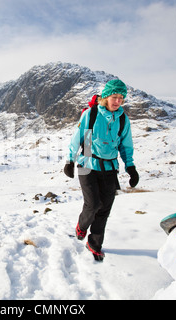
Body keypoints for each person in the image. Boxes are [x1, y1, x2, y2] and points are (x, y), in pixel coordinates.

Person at [64, 79, 139, 261]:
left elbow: (125, 146)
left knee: (105, 209)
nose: (118, 101)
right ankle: (81, 227)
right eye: (114, 97)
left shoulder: (122, 119)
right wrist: (70, 160)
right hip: (88, 163)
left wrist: (130, 167)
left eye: (121, 98)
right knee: (93, 204)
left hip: (110, 167)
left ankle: (94, 244)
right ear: (106, 97)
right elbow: (79, 138)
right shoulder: (92, 114)